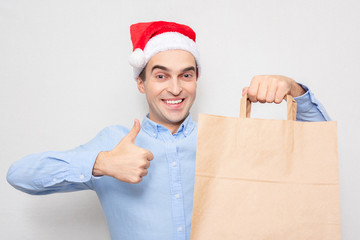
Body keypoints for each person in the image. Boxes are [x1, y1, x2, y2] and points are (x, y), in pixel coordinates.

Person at [7, 21, 330, 240]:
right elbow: (19, 175)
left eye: (186, 76)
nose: (175, 89)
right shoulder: (114, 143)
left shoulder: (223, 138)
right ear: (140, 82)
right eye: (161, 76)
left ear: (195, 80)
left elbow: (315, 154)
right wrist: (101, 163)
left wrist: (294, 89)